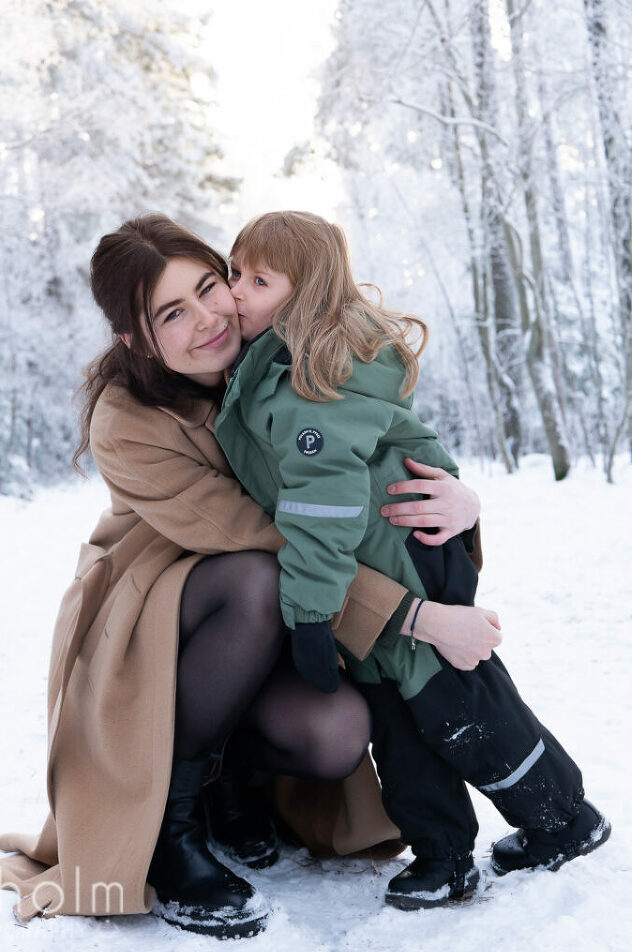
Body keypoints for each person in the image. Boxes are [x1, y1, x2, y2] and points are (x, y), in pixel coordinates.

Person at [0, 214, 499, 938]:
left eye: (208, 286)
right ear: (135, 338)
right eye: (171, 313)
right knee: (254, 577)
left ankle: (232, 782)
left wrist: (459, 500)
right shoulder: (126, 421)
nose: (207, 319)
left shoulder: (287, 350)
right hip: (161, 613)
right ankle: (168, 825)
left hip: (285, 601)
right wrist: (418, 618)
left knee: (337, 731)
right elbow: (276, 542)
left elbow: (373, 451)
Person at [213, 210, 611, 912]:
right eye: (236, 272)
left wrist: (309, 613)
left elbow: (322, 504)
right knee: (400, 723)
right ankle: (444, 854)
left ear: (303, 293)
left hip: (406, 564)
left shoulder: (314, 380)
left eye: (258, 278)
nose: (236, 290)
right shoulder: (275, 369)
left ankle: (563, 820)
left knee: (460, 705)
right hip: (373, 575)